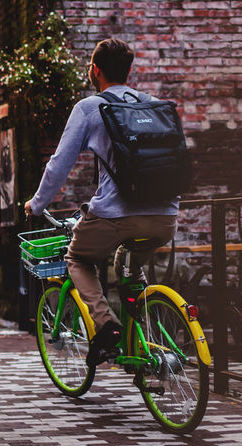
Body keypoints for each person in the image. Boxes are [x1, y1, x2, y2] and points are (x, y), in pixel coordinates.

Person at [25, 38, 179, 366]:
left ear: (95, 70)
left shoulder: (90, 108)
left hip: (114, 217)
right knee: (129, 259)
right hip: (166, 216)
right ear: (128, 70)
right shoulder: (152, 105)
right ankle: (138, 324)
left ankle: (107, 325)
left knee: (77, 258)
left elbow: (59, 165)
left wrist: (36, 204)